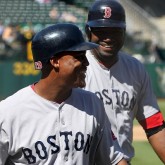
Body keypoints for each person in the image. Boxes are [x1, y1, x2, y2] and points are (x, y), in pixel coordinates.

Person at [0, 23, 128, 165]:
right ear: (55, 61)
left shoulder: (92, 103)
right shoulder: (8, 113)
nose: (86, 63)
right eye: (79, 56)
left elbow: (114, 160)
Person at [84, 0, 165, 164]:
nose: (107, 37)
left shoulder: (136, 69)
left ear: (124, 32)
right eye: (101, 30)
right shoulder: (76, 67)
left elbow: (153, 124)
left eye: (114, 30)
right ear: (88, 32)